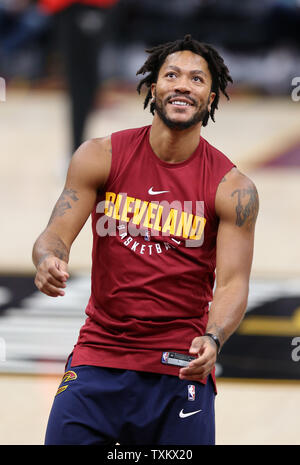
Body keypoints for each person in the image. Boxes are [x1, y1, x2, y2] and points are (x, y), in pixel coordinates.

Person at [32, 34, 259, 445]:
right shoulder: (101, 156)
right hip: (98, 355)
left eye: (196, 79)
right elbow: (54, 235)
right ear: (153, 88)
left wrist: (214, 336)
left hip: (179, 364)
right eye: (171, 75)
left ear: (211, 98)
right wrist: (48, 258)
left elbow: (232, 284)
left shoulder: (233, 188)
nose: (183, 85)